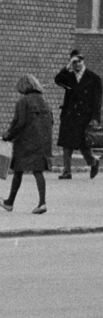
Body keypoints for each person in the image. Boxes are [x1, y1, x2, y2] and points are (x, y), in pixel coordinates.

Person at [3, 75, 53, 215]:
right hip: (43, 142)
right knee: (38, 171)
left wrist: (8, 136)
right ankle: (41, 203)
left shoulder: (23, 101)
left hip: (25, 142)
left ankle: (10, 203)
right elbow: (51, 122)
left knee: (18, 170)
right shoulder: (45, 101)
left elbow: (19, 123)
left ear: (24, 86)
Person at [54, 52, 103, 180]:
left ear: (83, 61)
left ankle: (93, 162)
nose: (77, 64)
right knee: (66, 143)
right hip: (69, 115)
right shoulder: (68, 76)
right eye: (74, 62)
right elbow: (57, 80)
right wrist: (67, 66)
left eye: (79, 61)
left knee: (83, 143)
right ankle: (67, 171)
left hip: (85, 116)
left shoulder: (93, 78)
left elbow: (97, 101)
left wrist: (95, 118)